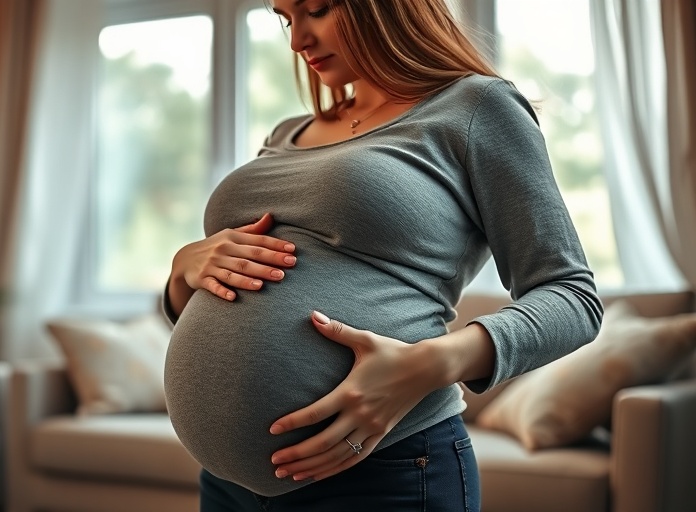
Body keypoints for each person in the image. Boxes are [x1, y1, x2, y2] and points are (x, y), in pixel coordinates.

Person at [161, 0, 603, 510]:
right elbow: (203, 301)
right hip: (226, 486)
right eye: (285, 18)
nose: (296, 40)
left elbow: (573, 298)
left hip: (382, 471)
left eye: (318, 9)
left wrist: (426, 365)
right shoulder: (286, 134)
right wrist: (182, 272)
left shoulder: (477, 107)